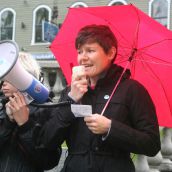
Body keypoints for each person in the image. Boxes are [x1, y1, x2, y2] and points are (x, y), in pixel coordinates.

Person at [23, 25, 160, 172]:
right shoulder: (70, 91)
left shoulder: (132, 90)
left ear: (110, 53)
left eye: (90, 50)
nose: (83, 57)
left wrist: (111, 128)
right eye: (80, 51)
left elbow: (151, 144)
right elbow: (47, 141)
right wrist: (71, 99)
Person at [0, 52, 61, 172]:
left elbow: (49, 161)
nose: (3, 84)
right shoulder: (3, 108)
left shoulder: (46, 110)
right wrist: (8, 122)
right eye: (3, 79)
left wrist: (25, 125)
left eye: (9, 78)